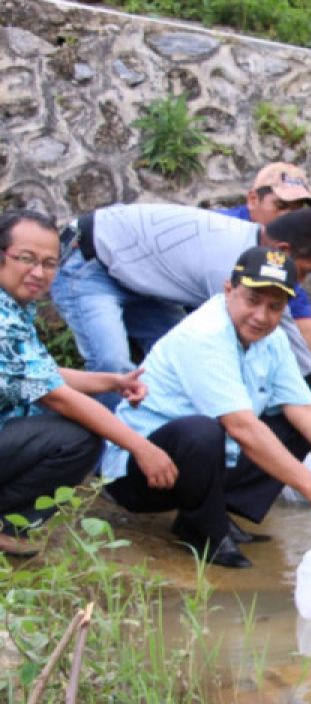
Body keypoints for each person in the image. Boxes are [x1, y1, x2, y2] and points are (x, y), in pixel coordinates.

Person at [99, 246, 311, 569]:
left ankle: (209, 512)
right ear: (229, 290)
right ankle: (204, 531)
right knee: (201, 431)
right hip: (141, 474)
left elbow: (306, 409)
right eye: (252, 301)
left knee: (294, 423)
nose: (261, 316)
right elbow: (241, 426)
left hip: (203, 462)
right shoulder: (204, 336)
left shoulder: (273, 339)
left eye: (274, 307)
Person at [0, 209, 178, 555]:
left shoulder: (13, 306)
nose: (38, 272)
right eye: (26, 259)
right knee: (77, 438)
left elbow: (37, 374)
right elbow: (57, 396)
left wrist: (110, 382)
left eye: (50, 263)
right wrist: (142, 448)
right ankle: (8, 524)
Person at [52, 203, 311, 408]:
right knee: (111, 362)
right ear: (283, 251)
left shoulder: (256, 257)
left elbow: (284, 326)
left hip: (139, 281)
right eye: (305, 271)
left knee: (178, 354)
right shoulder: (229, 263)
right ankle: (112, 462)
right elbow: (249, 339)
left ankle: (154, 434)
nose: (301, 282)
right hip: (91, 261)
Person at [215, 163, 311, 440]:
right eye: (282, 206)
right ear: (253, 200)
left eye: (299, 210)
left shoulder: (282, 264)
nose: (290, 217)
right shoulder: (224, 234)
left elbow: (305, 328)